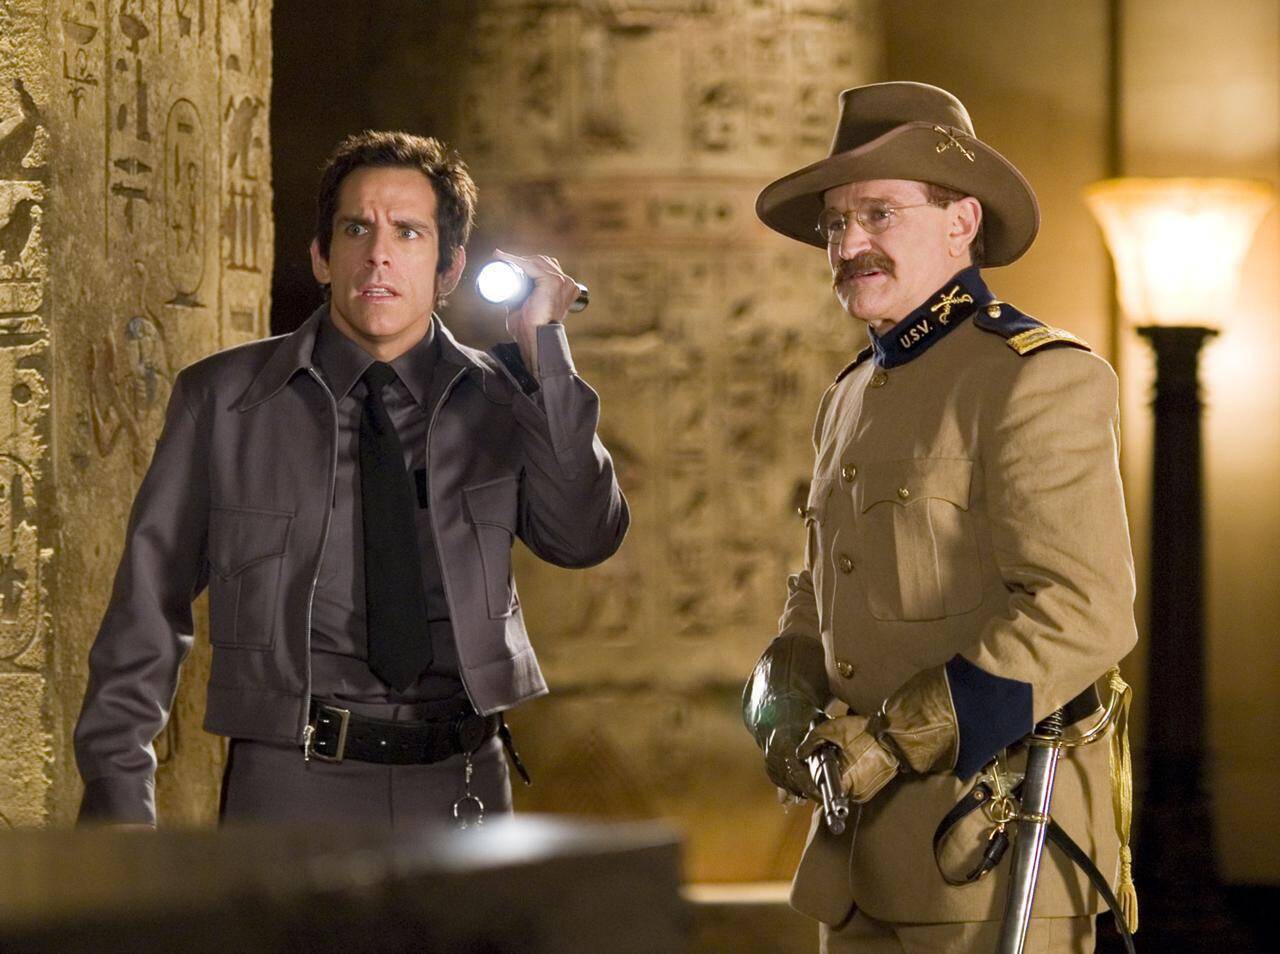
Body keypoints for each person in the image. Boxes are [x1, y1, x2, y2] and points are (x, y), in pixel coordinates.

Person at [75, 130, 629, 830]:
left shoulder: (505, 399)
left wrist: (547, 353)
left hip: (464, 784)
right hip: (290, 785)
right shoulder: (222, 401)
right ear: (321, 256)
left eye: (408, 232)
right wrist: (118, 803)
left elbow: (584, 537)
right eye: (356, 228)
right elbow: (146, 610)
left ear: (450, 268)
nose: (378, 255)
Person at [742, 82, 1138, 951]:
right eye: (835, 225)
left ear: (961, 223)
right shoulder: (849, 395)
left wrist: (892, 741)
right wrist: (787, 693)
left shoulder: (1037, 376)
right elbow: (823, 584)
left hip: (990, 853)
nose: (848, 244)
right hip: (852, 865)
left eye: (878, 215)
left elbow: (1085, 611)